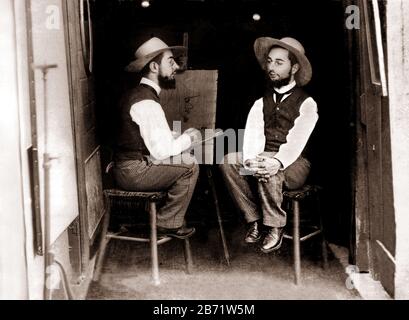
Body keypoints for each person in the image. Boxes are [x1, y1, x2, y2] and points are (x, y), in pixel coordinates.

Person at [219, 37, 318, 252]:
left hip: (296, 163)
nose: (271, 67)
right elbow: (253, 136)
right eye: (270, 62)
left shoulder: (307, 103)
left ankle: (275, 226)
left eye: (279, 63)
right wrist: (252, 160)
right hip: (265, 155)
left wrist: (277, 161)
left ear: (294, 67)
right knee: (229, 161)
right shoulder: (260, 102)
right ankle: (253, 218)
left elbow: (297, 141)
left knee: (271, 168)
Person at [113, 37, 202, 239]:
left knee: (182, 156)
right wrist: (190, 139)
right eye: (170, 62)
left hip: (128, 167)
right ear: (154, 66)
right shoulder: (146, 102)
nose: (176, 67)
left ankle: (166, 219)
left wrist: (179, 136)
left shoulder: (140, 94)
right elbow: (160, 151)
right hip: (133, 172)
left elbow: (149, 135)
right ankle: (167, 223)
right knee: (190, 166)